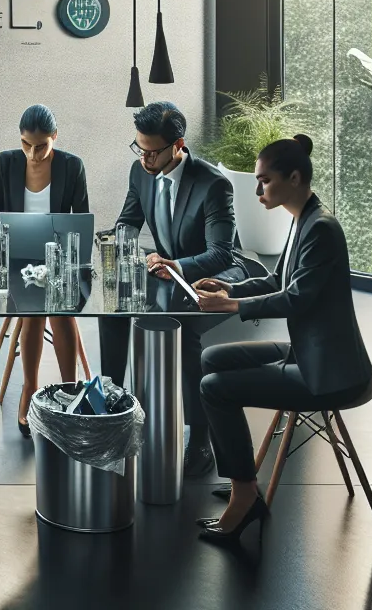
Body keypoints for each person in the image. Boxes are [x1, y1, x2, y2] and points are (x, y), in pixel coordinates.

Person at [192, 135, 372, 545]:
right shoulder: (304, 219)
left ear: (294, 177)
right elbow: (278, 279)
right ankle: (244, 479)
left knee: (214, 388)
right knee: (212, 359)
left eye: (265, 181)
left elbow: (296, 298)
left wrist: (232, 309)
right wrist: (227, 289)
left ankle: (244, 495)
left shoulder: (321, 229)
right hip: (309, 355)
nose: (258, 190)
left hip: (330, 374)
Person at [102, 100, 243, 478]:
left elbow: (221, 253)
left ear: (178, 145)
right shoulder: (140, 172)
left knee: (182, 330)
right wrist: (123, 244)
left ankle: (200, 439)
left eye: (152, 152)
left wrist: (177, 265)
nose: (145, 159)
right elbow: (127, 222)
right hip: (167, 269)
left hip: (215, 274)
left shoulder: (213, 184)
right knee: (111, 310)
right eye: (140, 149)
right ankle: (112, 412)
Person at [0, 104, 90, 434]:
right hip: (18, 261)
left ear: (54, 137)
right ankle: (30, 386)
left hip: (62, 261)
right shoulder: (6, 162)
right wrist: (3, 248)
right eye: (26, 144)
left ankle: (68, 387)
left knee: (60, 305)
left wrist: (64, 261)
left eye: (41, 145)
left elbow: (80, 224)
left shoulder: (72, 167)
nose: (33, 153)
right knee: (33, 306)